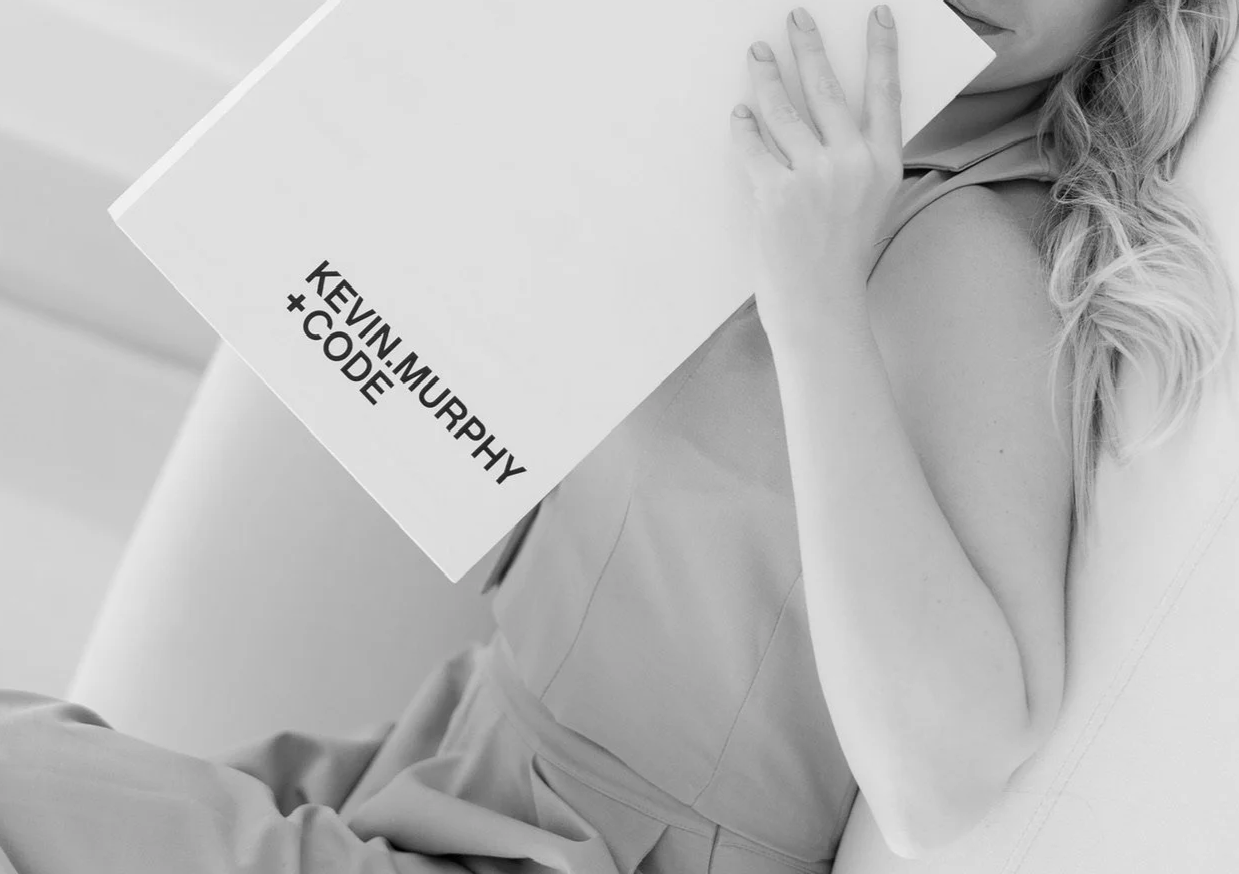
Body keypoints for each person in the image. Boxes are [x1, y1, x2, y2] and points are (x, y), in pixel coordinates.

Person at [1, 1, 1235, 872]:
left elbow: (946, 769)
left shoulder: (975, 255)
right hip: (427, 776)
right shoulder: (732, 97)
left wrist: (810, 289)